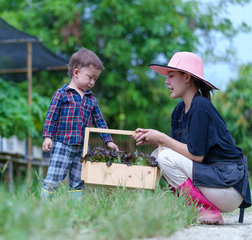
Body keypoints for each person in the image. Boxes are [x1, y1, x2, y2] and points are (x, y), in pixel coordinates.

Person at [133, 52, 251, 224]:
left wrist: (162, 138)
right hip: (210, 181)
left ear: (187, 77)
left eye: (171, 76)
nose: (167, 81)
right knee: (158, 154)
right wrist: (157, 141)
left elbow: (196, 156)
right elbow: (176, 152)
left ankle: (207, 211)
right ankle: (192, 207)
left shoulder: (201, 107)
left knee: (164, 156)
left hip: (228, 186)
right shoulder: (179, 111)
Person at [41, 47, 119, 200]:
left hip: (82, 148)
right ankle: (45, 205)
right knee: (54, 178)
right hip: (62, 144)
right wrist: (47, 137)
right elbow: (51, 117)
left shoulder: (91, 98)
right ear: (76, 73)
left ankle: (75, 209)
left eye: (95, 79)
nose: (92, 82)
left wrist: (108, 141)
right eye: (90, 77)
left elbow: (100, 121)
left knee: (78, 181)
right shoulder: (62, 94)